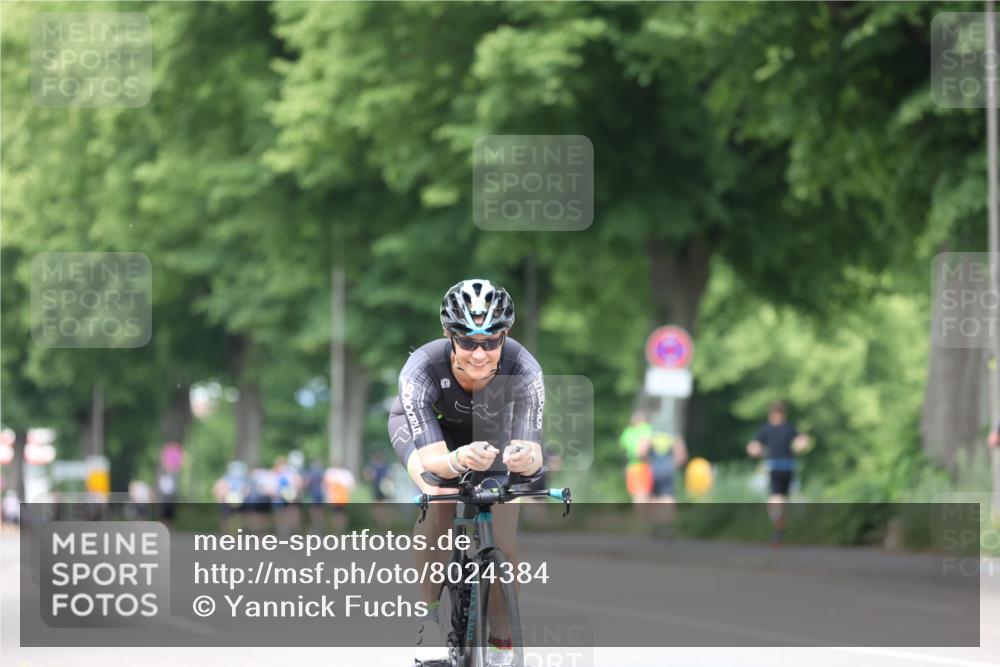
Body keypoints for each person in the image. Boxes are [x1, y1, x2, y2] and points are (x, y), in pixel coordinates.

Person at [387, 279, 544, 667]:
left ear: (505, 337)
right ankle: (427, 619)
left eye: (491, 342)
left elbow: (534, 450)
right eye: (468, 341)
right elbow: (436, 462)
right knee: (441, 498)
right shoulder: (422, 367)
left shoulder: (524, 368)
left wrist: (525, 459)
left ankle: (501, 643)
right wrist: (458, 462)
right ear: (449, 337)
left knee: (505, 547)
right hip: (428, 435)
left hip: (488, 435)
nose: (479, 353)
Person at [746, 400, 812, 544]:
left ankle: (778, 527)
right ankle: (779, 528)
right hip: (787, 467)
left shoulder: (767, 429)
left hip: (776, 467)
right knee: (782, 499)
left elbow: (753, 447)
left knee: (777, 498)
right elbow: (801, 442)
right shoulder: (789, 428)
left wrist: (757, 452)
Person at [619, 411, 653, 504]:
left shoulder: (628, 431)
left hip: (632, 465)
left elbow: (622, 445)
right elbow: (644, 447)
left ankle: (640, 515)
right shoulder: (647, 428)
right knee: (645, 492)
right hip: (645, 464)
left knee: (636, 493)